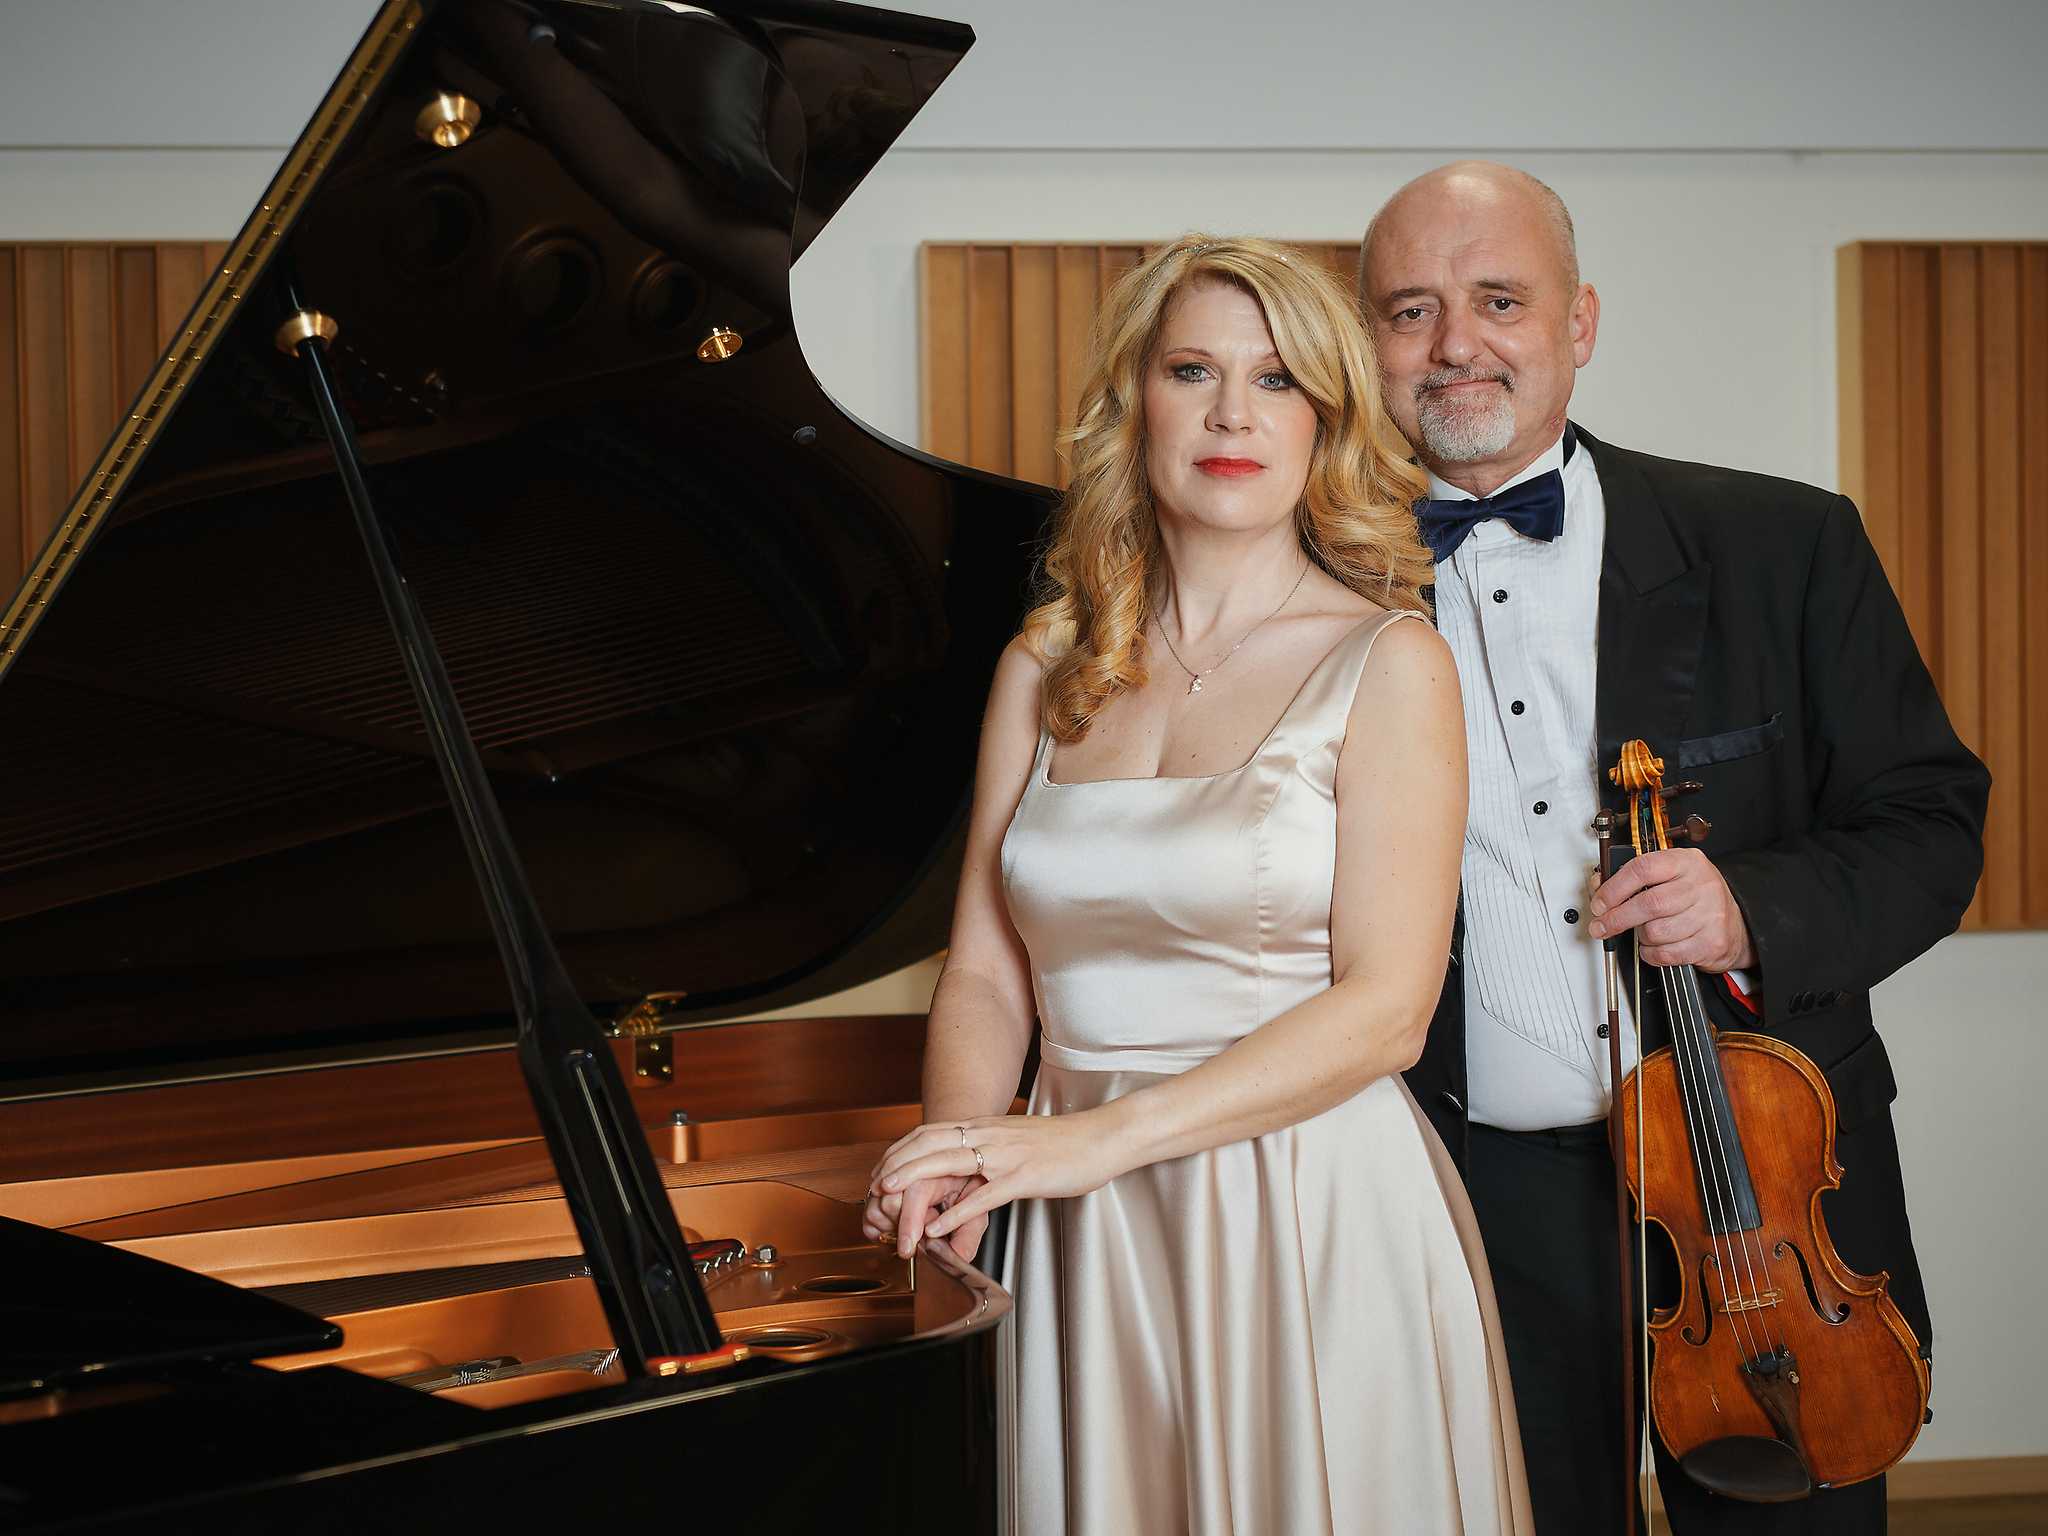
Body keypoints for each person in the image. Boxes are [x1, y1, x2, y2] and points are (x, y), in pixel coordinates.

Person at [862, 235, 1533, 1535]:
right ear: (1136, 403)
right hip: (1076, 1211)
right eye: (1193, 371)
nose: (1234, 414)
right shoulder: (1043, 665)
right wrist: (960, 1153)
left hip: (1303, 1201)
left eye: (1278, 380)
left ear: (1326, 420)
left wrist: (1085, 1145)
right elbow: (987, 973)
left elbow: (1388, 1011)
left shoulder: (1392, 661)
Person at [1359, 162, 1990, 1534]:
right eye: (1410, 310)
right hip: (1470, 1189)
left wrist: (1752, 907)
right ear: (1369, 343)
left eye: (1500, 299)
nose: (1455, 343)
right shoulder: (1316, 582)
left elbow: (1933, 821)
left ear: (1580, 322)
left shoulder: (1782, 542)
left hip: (1763, 1189)